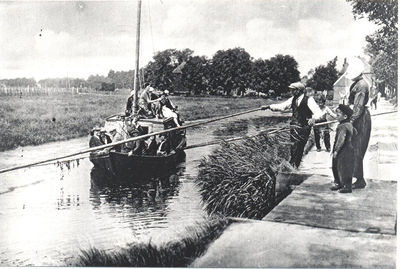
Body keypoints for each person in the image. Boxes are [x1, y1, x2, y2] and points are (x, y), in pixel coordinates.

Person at [261, 82, 323, 168]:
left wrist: (313, 118)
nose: (291, 92)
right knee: (293, 146)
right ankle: (292, 166)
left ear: (299, 91)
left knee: (300, 146)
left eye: (293, 90)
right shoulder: (293, 99)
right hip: (294, 127)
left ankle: (294, 165)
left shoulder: (308, 99)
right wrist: (269, 107)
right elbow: (282, 106)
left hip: (304, 127)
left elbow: (318, 112)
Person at [345, 57, 371, 189]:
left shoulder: (362, 85)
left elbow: (358, 107)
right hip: (356, 116)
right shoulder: (355, 84)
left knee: (357, 147)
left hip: (361, 119)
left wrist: (351, 121)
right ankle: (354, 177)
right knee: (352, 147)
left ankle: (359, 179)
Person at [331, 104, 357, 193]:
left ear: (345, 116)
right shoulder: (349, 124)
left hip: (344, 150)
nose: (336, 117)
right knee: (338, 166)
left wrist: (336, 151)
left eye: (338, 115)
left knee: (344, 168)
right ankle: (339, 183)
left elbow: (340, 140)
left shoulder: (343, 126)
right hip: (349, 149)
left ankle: (346, 186)